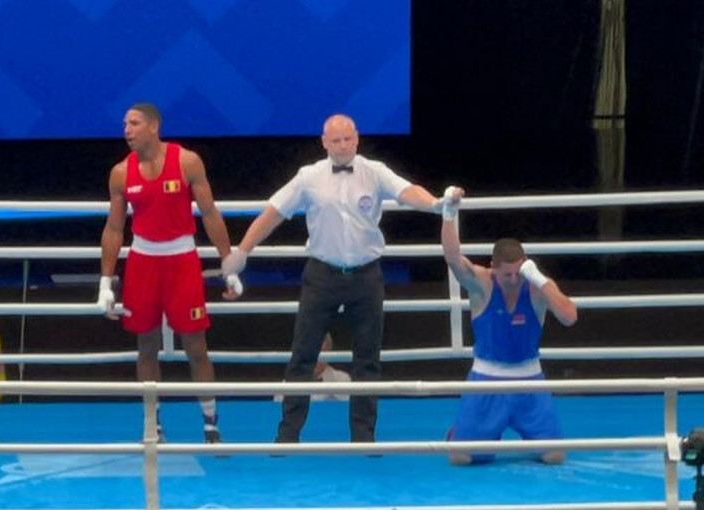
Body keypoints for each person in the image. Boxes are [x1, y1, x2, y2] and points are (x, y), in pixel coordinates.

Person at [223, 113, 447, 443]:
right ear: (324, 142)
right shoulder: (308, 176)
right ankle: (287, 435)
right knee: (302, 355)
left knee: (368, 358)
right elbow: (273, 212)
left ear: (356, 138)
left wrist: (436, 204)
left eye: (348, 139)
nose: (343, 146)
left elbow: (407, 191)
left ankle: (363, 437)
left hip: (366, 275)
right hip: (321, 274)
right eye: (336, 140)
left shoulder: (375, 170)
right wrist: (241, 252)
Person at [98, 103, 243, 443]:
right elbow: (114, 228)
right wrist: (106, 280)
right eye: (124, 123)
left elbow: (209, 214)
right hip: (143, 263)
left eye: (133, 123)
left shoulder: (187, 161)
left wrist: (229, 263)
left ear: (153, 126)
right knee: (145, 346)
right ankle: (153, 424)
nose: (127, 130)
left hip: (182, 262)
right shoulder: (121, 172)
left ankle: (210, 423)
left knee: (196, 346)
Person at [440, 186, 578, 465]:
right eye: (507, 274)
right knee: (461, 458)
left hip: (530, 382)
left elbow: (569, 316)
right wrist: (449, 213)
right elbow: (453, 258)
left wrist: (540, 279)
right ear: (494, 267)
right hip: (487, 381)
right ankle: (462, 433)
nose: (514, 280)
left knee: (555, 456)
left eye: (519, 273)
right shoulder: (482, 284)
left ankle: (511, 432)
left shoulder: (537, 287)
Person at [274, 333, 351, 402]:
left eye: (319, 354)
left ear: (329, 352)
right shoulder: (287, 384)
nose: (314, 359)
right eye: (309, 353)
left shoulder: (343, 380)